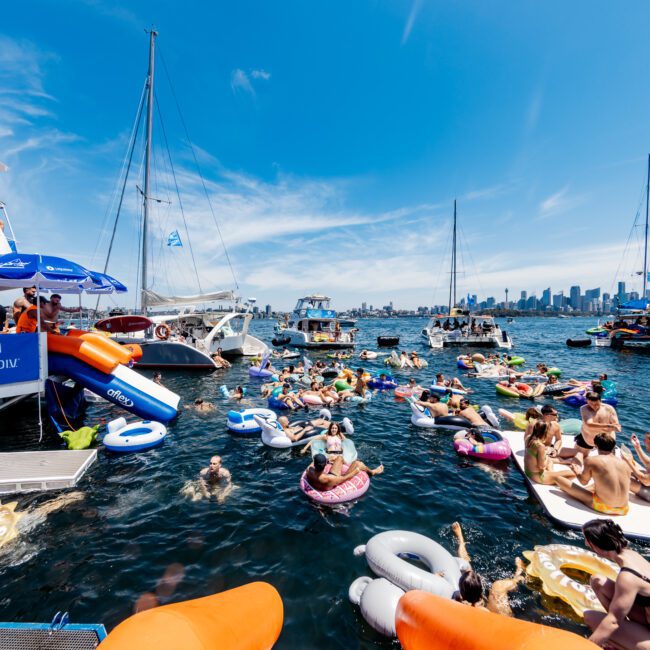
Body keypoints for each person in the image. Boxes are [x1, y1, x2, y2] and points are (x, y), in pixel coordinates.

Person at [580, 519, 650, 648]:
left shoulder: (628, 576)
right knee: (598, 582)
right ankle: (619, 637)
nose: (585, 543)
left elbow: (613, 622)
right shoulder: (631, 554)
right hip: (646, 620)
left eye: (587, 540)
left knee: (590, 617)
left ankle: (617, 642)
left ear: (596, 544)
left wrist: (586, 646)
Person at [450, 522, 526, 616]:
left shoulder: (459, 602)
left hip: (484, 609)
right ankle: (518, 573)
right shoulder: (484, 610)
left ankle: (461, 541)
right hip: (494, 614)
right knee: (497, 587)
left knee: (493, 586)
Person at [555, 433, 632, 516]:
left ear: (595, 446)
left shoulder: (591, 460)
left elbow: (583, 481)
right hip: (624, 509)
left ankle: (570, 490)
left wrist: (576, 471)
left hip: (604, 507)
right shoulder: (624, 463)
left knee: (558, 479)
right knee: (598, 483)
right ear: (613, 447)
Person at [568, 392, 621, 461]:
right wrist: (609, 426)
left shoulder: (609, 408)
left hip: (605, 440)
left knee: (608, 461)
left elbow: (617, 426)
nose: (593, 406)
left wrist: (615, 427)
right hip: (587, 438)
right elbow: (589, 424)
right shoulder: (584, 408)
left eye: (596, 404)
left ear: (600, 401)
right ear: (587, 401)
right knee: (578, 457)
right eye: (590, 404)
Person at [304, 453, 383, 492]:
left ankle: (349, 464)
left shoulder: (309, 471)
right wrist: (355, 471)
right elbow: (344, 478)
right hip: (331, 482)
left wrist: (328, 460)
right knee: (359, 464)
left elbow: (312, 462)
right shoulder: (329, 478)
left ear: (315, 464)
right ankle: (373, 472)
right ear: (325, 465)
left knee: (339, 458)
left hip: (323, 479)